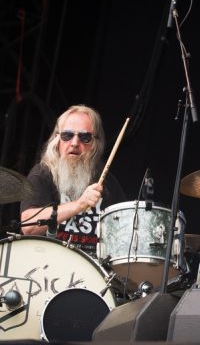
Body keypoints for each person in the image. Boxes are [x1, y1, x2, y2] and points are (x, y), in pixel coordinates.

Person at [20, 105, 126, 258]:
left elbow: (124, 232)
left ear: (95, 144)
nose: (75, 143)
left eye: (84, 137)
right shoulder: (43, 174)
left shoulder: (106, 181)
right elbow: (28, 226)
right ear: (57, 139)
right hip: (45, 266)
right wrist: (78, 205)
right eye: (67, 135)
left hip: (93, 272)